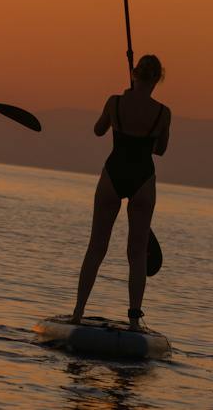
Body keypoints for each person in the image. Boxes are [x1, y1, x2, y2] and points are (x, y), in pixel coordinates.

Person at [70, 54, 172, 330]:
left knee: (96, 248)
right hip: (143, 178)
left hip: (113, 175)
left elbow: (98, 130)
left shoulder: (114, 102)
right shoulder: (163, 113)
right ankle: (134, 322)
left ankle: (78, 313)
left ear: (134, 73)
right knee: (137, 255)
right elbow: (160, 149)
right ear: (157, 79)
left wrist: (122, 113)